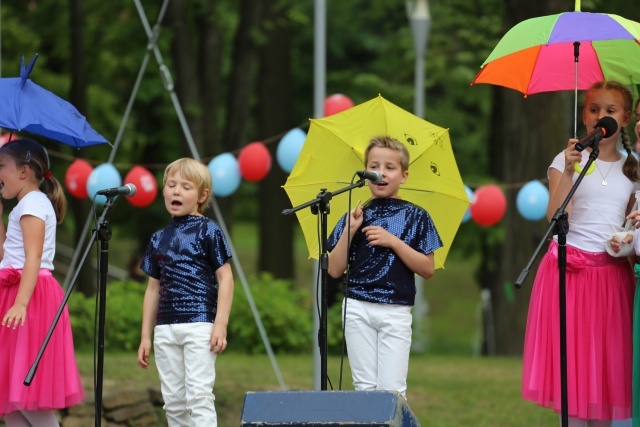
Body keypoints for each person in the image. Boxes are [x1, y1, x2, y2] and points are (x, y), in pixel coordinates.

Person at [522, 81, 639, 427]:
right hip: (569, 274)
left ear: (626, 118)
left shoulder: (633, 168)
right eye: (593, 109)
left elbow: (630, 229)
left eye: (610, 111)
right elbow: (556, 216)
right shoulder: (566, 159)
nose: (600, 117)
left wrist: (629, 237)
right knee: (572, 381)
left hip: (611, 278)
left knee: (603, 382)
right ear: (583, 114)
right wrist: (571, 169)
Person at [326, 135, 443, 398]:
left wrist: (394, 242)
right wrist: (350, 230)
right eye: (374, 166)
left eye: (390, 167)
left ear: (403, 176)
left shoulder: (417, 216)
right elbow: (334, 270)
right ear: (366, 173)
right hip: (356, 306)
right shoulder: (355, 214)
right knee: (364, 389)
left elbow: (427, 269)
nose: (381, 173)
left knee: (392, 391)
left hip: (396, 310)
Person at [137, 158, 234, 427]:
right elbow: (152, 289)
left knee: (199, 397)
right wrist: (146, 335)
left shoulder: (209, 230)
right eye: (171, 185)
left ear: (202, 195)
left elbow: (226, 278)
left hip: (199, 324)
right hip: (165, 329)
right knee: (174, 402)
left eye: (185, 187)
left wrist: (220, 324)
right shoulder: (158, 237)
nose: (176, 191)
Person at [0, 139, 85, 426]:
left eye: (1, 166)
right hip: (16, 290)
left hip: (29, 296)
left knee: (25, 390)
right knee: (12, 402)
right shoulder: (25, 204)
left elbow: (33, 257)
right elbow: (6, 253)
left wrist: (21, 303)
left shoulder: (33, 203)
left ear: (24, 171)